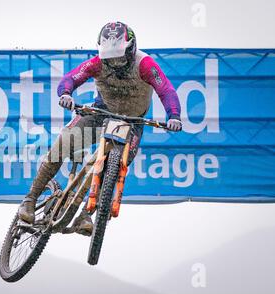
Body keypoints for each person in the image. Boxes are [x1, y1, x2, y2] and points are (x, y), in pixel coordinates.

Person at [18, 22, 182, 235]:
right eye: (109, 57)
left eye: (119, 56)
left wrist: (174, 115)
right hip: (100, 113)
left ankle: (86, 215)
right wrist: (66, 93)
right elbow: (72, 77)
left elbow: (166, 90)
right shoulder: (96, 63)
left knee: (112, 169)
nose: (114, 62)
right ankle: (30, 199)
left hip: (132, 123)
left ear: (131, 49)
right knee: (63, 144)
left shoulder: (145, 64)